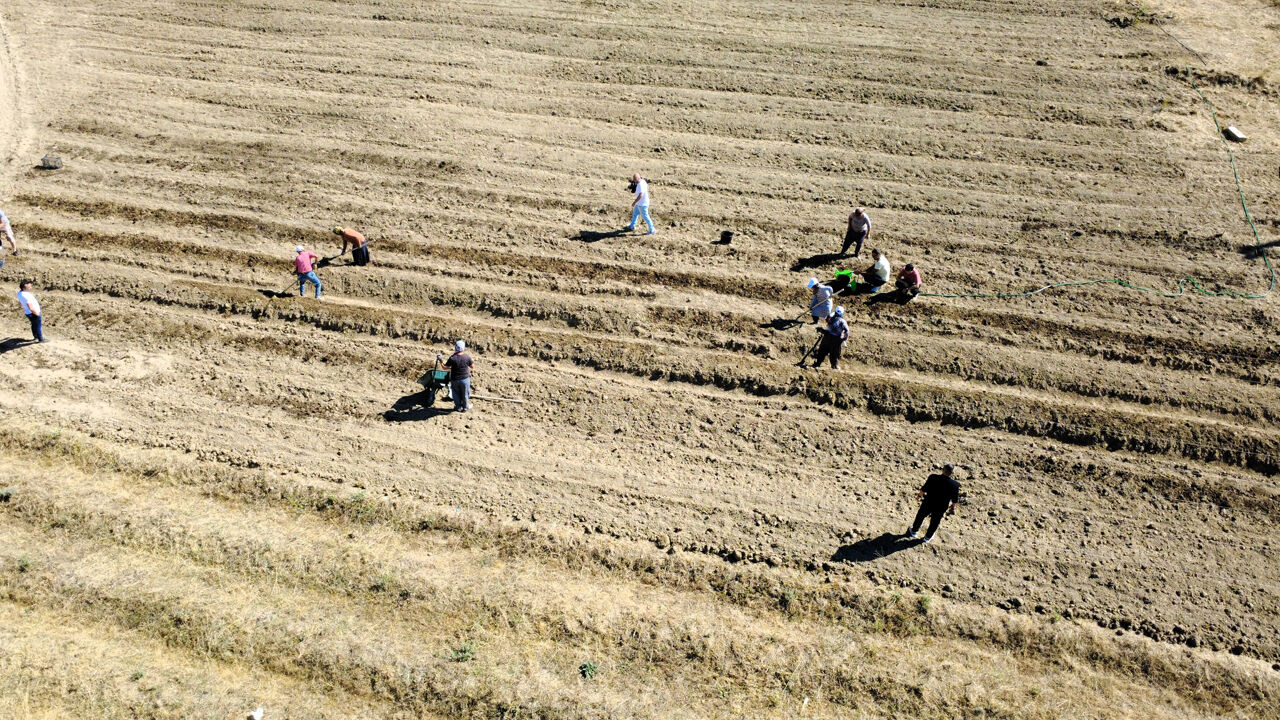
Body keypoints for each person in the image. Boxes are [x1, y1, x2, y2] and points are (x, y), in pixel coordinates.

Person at [906, 463, 960, 544]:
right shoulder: (955, 485)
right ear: (952, 473)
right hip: (941, 507)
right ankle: (927, 537)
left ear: (943, 469)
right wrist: (953, 506)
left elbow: (924, 489)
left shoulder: (933, 477)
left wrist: (919, 496)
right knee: (935, 521)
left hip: (928, 502)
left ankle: (914, 531)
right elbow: (954, 500)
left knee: (920, 515)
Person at [445, 340, 474, 412]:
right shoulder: (466, 357)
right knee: (465, 394)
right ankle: (466, 407)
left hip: (454, 379)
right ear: (463, 348)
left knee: (456, 394)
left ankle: (458, 407)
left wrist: (440, 361)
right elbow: (472, 366)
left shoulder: (452, 358)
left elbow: (445, 367)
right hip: (465, 379)